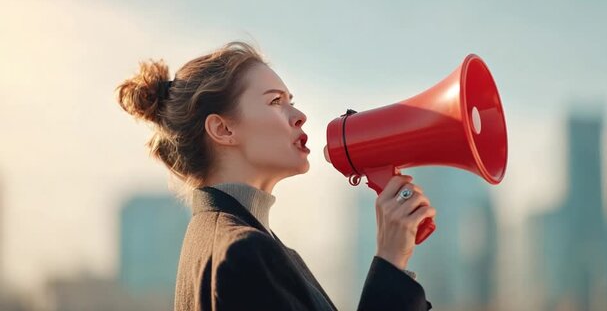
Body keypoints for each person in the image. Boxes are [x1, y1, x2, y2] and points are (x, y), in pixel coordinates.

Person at [115, 41, 437, 310]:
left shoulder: (231, 240)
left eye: (291, 101)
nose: (299, 116)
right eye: (275, 101)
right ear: (223, 129)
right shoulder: (242, 254)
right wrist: (391, 262)